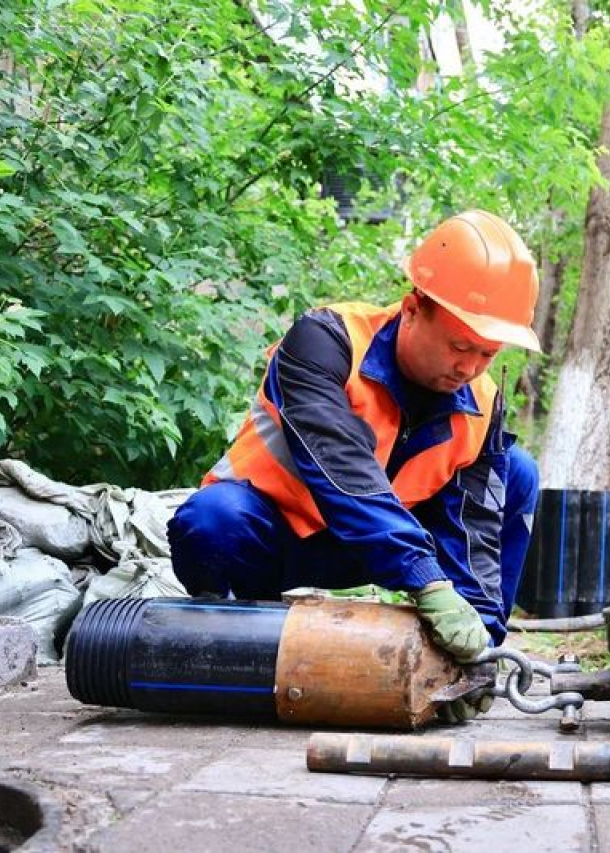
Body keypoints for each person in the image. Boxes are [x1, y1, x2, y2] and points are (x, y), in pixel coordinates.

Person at [168, 210, 542, 721]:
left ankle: (466, 656)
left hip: (378, 552)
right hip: (277, 535)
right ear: (413, 309)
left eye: (487, 352)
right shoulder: (326, 343)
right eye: (460, 345)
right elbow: (343, 470)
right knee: (210, 522)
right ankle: (238, 641)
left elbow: (473, 531)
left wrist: (471, 647)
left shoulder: (481, 402)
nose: (470, 367)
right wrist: (426, 580)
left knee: (516, 473)